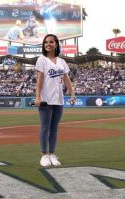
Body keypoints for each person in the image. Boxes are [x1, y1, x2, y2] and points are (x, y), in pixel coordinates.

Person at [35, 34, 75, 167]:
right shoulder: (42, 59)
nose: (48, 44)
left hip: (59, 100)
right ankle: (44, 155)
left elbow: (66, 79)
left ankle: (52, 154)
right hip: (46, 100)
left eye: (51, 42)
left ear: (56, 44)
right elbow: (40, 79)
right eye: (46, 42)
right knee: (45, 128)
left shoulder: (62, 61)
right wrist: (38, 97)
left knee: (54, 128)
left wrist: (72, 93)